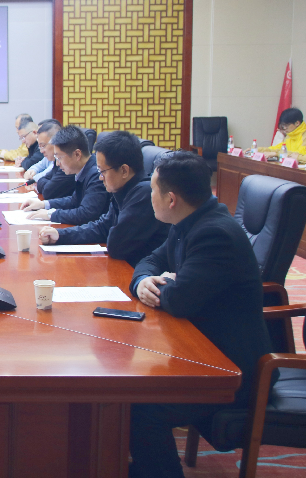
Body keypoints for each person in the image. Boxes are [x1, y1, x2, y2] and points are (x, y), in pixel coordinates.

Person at [128, 151, 275, 478]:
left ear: (170, 199)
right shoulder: (189, 220)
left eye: (152, 190)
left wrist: (166, 284)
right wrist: (143, 282)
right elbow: (149, 261)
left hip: (232, 370)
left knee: (140, 406)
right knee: (131, 389)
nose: (148, 196)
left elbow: (179, 300)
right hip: (201, 351)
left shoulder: (214, 234)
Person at [38, 131, 169, 267]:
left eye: (103, 171)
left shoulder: (143, 195)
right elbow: (102, 227)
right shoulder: (124, 189)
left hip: (138, 271)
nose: (100, 177)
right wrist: (60, 235)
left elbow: (116, 246)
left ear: (124, 171)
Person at [19, 125, 109, 224]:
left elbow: (86, 213)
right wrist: (44, 204)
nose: (57, 164)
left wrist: (51, 214)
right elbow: (74, 201)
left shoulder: (96, 174)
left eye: (59, 158)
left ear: (77, 155)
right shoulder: (83, 169)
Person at [23, 120, 76, 200]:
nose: (41, 151)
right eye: (40, 147)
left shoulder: (67, 163)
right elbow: (43, 180)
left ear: (56, 143)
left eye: (43, 146)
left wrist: (44, 182)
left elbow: (48, 191)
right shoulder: (56, 161)